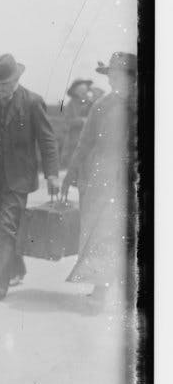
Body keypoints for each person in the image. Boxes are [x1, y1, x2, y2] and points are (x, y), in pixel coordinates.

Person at [0, 54, 60, 301]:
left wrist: (52, 174)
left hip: (19, 179)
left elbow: (47, 140)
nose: (2, 88)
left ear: (16, 79)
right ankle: (16, 268)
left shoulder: (33, 102)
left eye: (6, 83)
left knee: (7, 228)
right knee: (6, 227)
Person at [62, 53, 136, 307]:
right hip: (103, 179)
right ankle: (101, 289)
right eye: (111, 75)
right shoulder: (102, 105)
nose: (114, 80)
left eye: (119, 75)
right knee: (103, 233)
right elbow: (84, 143)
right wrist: (69, 174)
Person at [60, 78, 96, 169]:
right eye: (80, 91)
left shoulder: (92, 103)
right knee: (74, 165)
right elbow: (66, 122)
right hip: (75, 140)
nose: (83, 93)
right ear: (75, 92)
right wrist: (81, 121)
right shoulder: (71, 105)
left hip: (90, 140)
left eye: (85, 90)